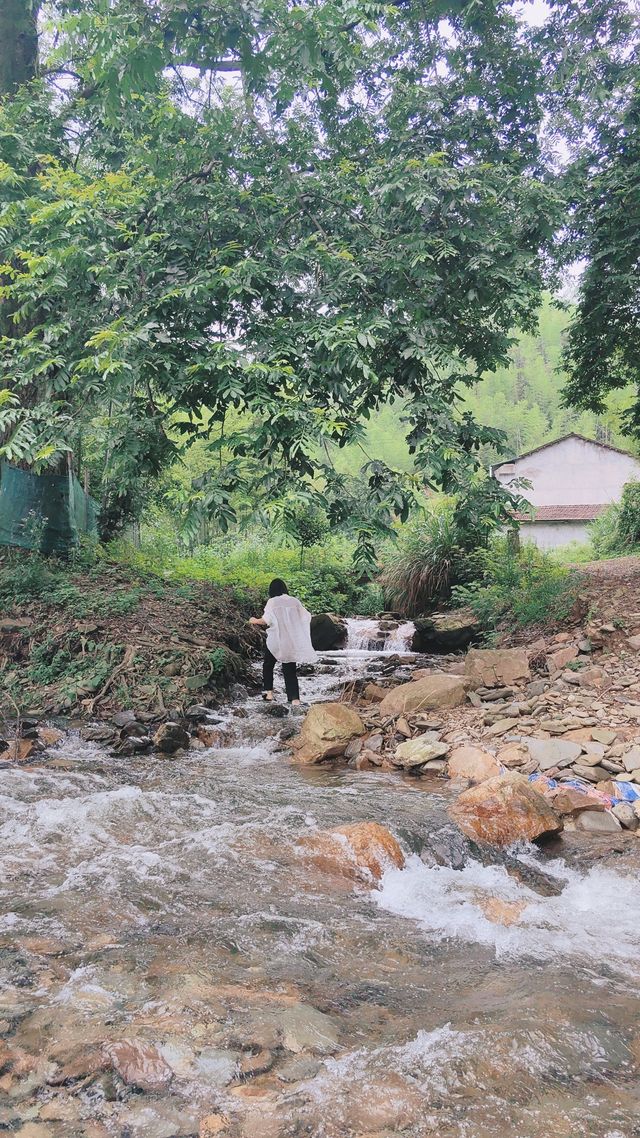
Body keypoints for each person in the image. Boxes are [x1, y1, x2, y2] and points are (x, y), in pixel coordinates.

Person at [248, 578, 317, 705]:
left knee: (268, 664)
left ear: (272, 590)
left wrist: (254, 620)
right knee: (289, 668)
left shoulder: (272, 601)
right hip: (291, 640)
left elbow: (266, 620)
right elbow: (306, 617)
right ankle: (294, 699)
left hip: (276, 639)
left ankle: (268, 693)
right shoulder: (295, 601)